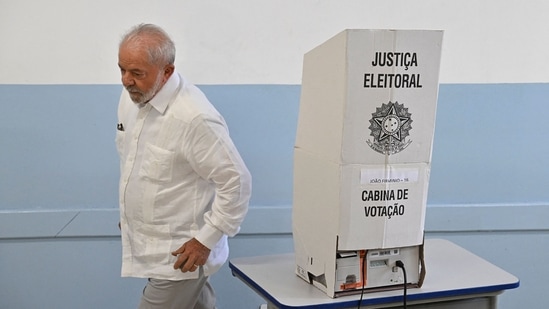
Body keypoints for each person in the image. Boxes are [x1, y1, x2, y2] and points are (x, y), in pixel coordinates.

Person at [115, 23, 252, 309]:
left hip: (180, 257)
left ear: (167, 71)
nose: (126, 80)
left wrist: (206, 240)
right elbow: (137, 166)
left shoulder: (194, 118)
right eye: (122, 70)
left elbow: (237, 182)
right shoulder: (131, 99)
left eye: (137, 73)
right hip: (153, 247)